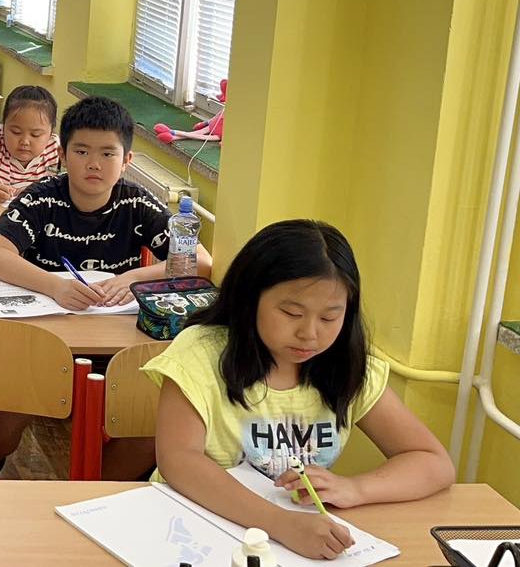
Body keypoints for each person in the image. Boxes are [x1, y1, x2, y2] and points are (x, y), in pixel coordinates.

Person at [148, 220, 454, 560]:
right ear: (250, 299)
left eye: (329, 318)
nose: (310, 333)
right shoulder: (200, 353)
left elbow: (433, 462)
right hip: (194, 529)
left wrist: (355, 488)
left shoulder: (347, 367)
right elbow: (179, 460)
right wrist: (280, 524)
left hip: (296, 540)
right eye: (292, 313)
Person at [0, 96, 212, 481]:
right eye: (82, 151)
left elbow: (199, 261)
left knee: (151, 421)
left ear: (126, 161)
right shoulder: (42, 197)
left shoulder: (137, 203)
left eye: (108, 153)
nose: (94, 163)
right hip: (43, 336)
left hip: (116, 343)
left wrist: (133, 277)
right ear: (62, 154)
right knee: (1, 419)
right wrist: (55, 286)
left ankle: (90, 493)